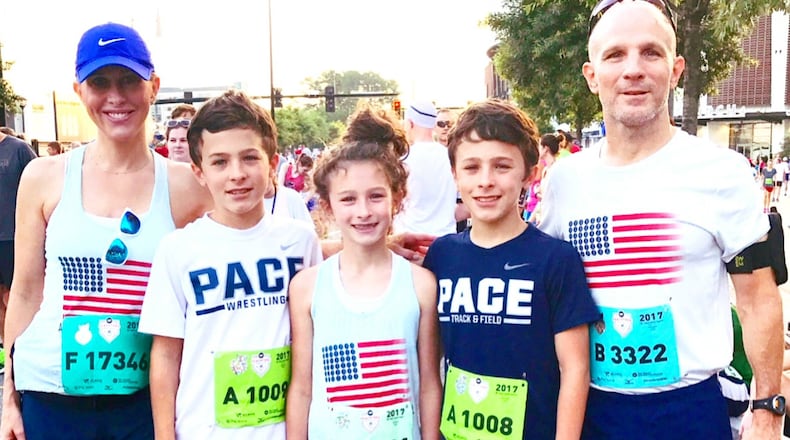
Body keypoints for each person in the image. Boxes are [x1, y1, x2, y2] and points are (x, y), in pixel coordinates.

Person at [539, 1, 783, 438]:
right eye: (615, 55)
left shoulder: (721, 172)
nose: (633, 69)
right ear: (592, 76)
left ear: (676, 70)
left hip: (688, 410)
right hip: (590, 408)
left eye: (651, 52)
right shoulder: (564, 181)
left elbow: (757, 298)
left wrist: (768, 408)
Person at [0, 22, 211, 440]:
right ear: (79, 90)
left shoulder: (188, 185)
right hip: (50, 392)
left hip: (146, 401)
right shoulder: (44, 176)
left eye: (129, 81)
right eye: (99, 82)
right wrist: (8, 395)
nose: (115, 97)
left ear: (153, 86)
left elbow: (244, 245)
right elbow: (25, 291)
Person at [139, 90, 321, 439]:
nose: (236, 174)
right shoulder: (178, 250)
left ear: (272, 163)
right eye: (219, 162)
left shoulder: (301, 242)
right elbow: (164, 355)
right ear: (199, 171)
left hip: (284, 430)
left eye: (250, 158)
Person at [422, 99, 598, 439]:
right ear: (454, 175)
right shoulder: (441, 256)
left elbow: (575, 369)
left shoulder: (555, 259)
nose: (485, 181)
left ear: (530, 174)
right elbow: (430, 365)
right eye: (471, 168)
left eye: (501, 166)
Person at [287, 107, 442, 439]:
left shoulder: (421, 285)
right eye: (348, 199)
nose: (363, 212)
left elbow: (429, 384)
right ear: (327, 206)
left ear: (396, 199)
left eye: (375, 197)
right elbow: (302, 387)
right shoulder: (307, 288)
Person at [394, 100, 457, 237]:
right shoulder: (452, 158)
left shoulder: (402, 160)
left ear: (410, 124)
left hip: (409, 240)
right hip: (445, 239)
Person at [0, 130, 37, 355]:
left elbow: (38, 187)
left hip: (16, 238)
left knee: (18, 296)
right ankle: (6, 347)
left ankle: (23, 347)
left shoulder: (18, 150)